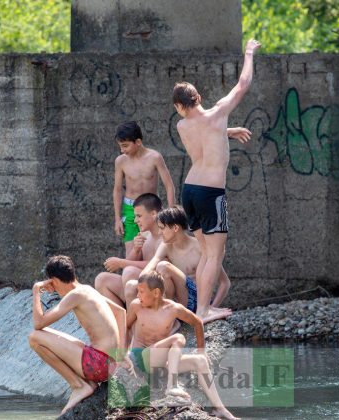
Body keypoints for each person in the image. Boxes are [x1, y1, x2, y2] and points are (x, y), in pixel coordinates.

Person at [172, 39, 261, 322]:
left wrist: (229, 131)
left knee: (205, 252)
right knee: (214, 255)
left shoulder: (182, 125)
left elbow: (206, 138)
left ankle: (201, 307)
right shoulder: (217, 113)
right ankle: (204, 310)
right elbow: (243, 83)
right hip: (211, 193)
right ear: (198, 96)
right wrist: (248, 53)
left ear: (178, 106)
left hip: (190, 191)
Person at [126, 271, 239, 420]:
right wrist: (123, 354)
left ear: (156, 292)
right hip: (141, 358)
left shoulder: (173, 309)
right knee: (178, 338)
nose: (138, 296)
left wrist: (201, 351)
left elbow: (197, 323)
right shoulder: (136, 306)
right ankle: (172, 386)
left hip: (160, 361)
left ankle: (221, 409)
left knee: (200, 361)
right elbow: (125, 327)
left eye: (141, 292)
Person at [28, 255, 126, 414]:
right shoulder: (87, 289)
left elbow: (38, 323)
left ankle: (79, 386)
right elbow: (121, 312)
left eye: (51, 283)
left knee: (35, 337)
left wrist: (36, 291)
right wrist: (120, 356)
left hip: (98, 365)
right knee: (41, 334)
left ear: (54, 281)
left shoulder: (75, 295)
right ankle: (87, 384)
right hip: (107, 362)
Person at [124, 206, 231, 323]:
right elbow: (152, 263)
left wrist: (210, 308)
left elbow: (225, 283)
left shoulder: (200, 247)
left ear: (175, 227)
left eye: (162, 228)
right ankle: (136, 331)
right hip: (178, 301)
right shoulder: (166, 245)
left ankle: (166, 317)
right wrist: (141, 286)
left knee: (163, 266)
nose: (159, 232)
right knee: (131, 285)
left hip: (197, 302)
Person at [113, 121, 176, 258]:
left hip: (151, 209)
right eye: (120, 146)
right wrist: (117, 218)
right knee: (131, 252)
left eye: (125, 146)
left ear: (138, 142)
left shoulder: (155, 158)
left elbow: (169, 185)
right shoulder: (121, 161)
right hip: (130, 209)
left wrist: (171, 213)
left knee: (156, 249)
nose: (123, 150)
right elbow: (117, 190)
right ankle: (130, 276)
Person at [95, 193, 163, 307]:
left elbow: (156, 265)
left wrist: (121, 263)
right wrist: (136, 250)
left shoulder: (165, 236)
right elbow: (130, 262)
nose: (135, 220)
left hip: (158, 290)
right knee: (101, 279)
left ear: (153, 214)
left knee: (130, 271)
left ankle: (138, 318)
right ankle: (123, 318)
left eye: (139, 216)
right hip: (138, 288)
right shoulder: (144, 233)